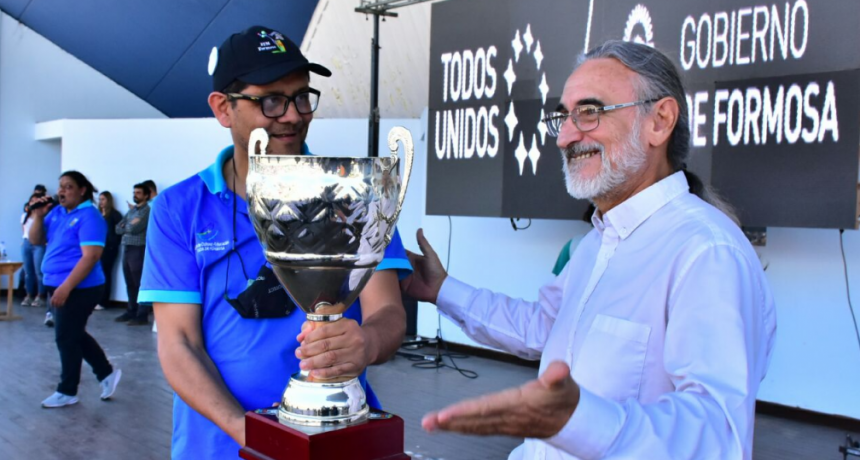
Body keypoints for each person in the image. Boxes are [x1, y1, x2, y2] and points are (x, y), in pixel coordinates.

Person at [402, 40, 776, 460]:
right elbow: (543, 328)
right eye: (563, 115)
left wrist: (579, 420)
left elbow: (717, 436)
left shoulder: (708, 253)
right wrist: (442, 290)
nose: (564, 137)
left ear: (660, 121)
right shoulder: (597, 241)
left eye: (590, 112)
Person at [138, 25, 411, 459]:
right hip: (218, 446)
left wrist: (368, 344)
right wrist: (252, 434)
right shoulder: (179, 209)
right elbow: (179, 345)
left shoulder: (355, 193)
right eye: (271, 100)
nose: (292, 114)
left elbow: (388, 312)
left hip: (338, 438)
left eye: (302, 96)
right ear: (223, 108)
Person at [28, 171, 122, 408]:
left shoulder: (90, 217)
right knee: (74, 334)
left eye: (68, 187)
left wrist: (66, 287)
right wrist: (38, 216)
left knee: (65, 337)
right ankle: (106, 373)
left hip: (81, 288)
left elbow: (91, 257)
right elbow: (36, 240)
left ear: (82, 190)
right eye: (60, 186)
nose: (62, 191)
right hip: (60, 286)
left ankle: (67, 390)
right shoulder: (58, 213)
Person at [114, 183, 151, 325]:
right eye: (134, 192)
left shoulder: (146, 211)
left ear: (146, 195)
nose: (135, 195)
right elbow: (118, 228)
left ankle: (142, 315)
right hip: (127, 247)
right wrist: (126, 225)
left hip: (138, 248)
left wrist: (126, 225)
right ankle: (131, 310)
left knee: (139, 282)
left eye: (139, 193)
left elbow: (133, 228)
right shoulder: (132, 211)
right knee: (129, 282)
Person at [21, 193, 48, 311]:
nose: (34, 202)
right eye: (32, 200)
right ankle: (29, 295)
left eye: (37, 200)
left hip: (39, 245)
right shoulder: (25, 216)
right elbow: (24, 231)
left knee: (39, 271)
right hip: (26, 243)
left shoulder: (44, 216)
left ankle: (40, 296)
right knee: (28, 272)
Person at [96, 191, 123, 310]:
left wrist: (112, 245)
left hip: (109, 249)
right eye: (99, 199)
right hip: (98, 247)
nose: (101, 202)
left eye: (103, 199)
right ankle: (96, 299)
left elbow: (118, 232)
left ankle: (103, 301)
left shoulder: (114, 215)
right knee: (97, 274)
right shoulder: (97, 214)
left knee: (105, 273)